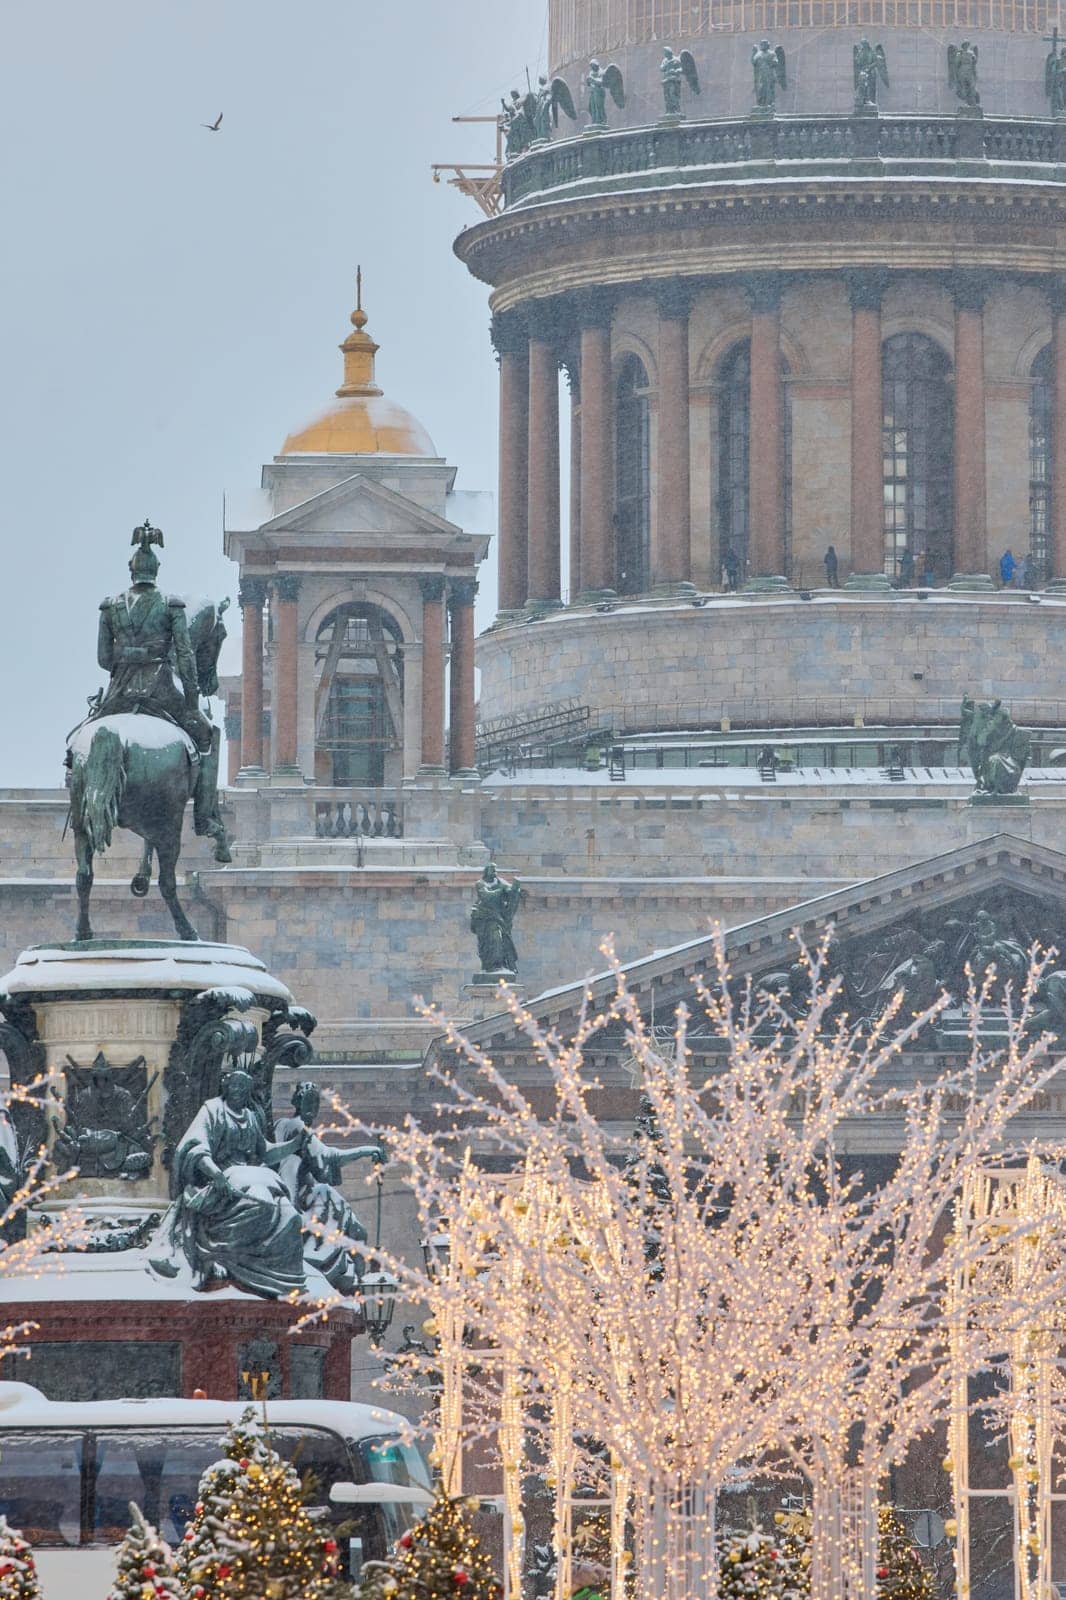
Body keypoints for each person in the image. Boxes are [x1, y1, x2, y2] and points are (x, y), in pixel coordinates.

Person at [160, 1068, 309, 1297]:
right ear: (226, 1086)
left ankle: (280, 1276)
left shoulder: (250, 1116)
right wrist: (216, 1174)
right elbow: (196, 1147)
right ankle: (220, 1255)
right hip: (224, 1177)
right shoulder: (212, 1109)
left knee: (291, 1217)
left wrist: (295, 1144)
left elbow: (265, 1153)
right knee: (261, 1204)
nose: (238, 1090)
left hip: (250, 1175)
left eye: (243, 1087)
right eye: (234, 1085)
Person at [274, 1081, 386, 1295]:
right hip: (302, 1201)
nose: (312, 1107)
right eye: (308, 1101)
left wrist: (365, 1150)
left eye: (315, 1103)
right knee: (357, 1235)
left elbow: (325, 1158)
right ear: (297, 1102)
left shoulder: (288, 1127)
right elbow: (329, 1158)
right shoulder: (296, 1128)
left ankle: (360, 1289)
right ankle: (361, 1290)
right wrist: (365, 1150)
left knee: (357, 1234)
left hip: (308, 1198)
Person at [470, 862, 523, 975]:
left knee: (499, 939)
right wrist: (500, 890)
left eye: (495, 870)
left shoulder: (500, 882)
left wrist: (515, 889)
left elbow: (510, 892)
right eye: (492, 870)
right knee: (488, 943)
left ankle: (499, 964)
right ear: (486, 872)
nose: (494, 873)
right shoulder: (480, 884)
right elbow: (486, 896)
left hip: (497, 918)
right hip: (483, 918)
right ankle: (490, 965)